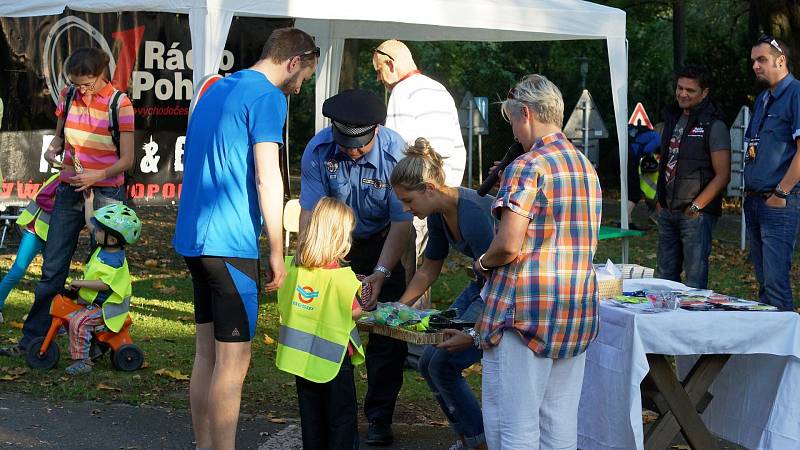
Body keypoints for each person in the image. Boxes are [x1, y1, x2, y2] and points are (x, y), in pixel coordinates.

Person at [172, 27, 318, 450]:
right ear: (294, 62)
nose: (300, 85)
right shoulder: (268, 96)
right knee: (233, 364)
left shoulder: (215, 88)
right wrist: (278, 248)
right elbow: (267, 176)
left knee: (207, 355)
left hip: (194, 239)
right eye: (304, 76)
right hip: (231, 243)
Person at [466, 74, 602, 449]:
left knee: (513, 426)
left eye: (512, 121)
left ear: (525, 113)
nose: (514, 132)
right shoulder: (585, 167)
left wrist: (482, 261)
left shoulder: (528, 166)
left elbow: (508, 245)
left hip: (524, 313)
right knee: (559, 424)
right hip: (574, 309)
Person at [1, 47, 134, 357]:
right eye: (76, 83)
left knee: (100, 273)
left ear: (102, 75)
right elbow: (60, 139)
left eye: (86, 83)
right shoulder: (69, 94)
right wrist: (53, 151)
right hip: (68, 189)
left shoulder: (120, 104)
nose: (81, 89)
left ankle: (95, 343)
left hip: (106, 196)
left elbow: (127, 159)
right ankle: (33, 341)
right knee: (53, 267)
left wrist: (95, 176)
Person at [299, 88, 412, 446]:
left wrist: (381, 272)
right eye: (344, 142)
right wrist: (311, 262)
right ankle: (327, 408)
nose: (350, 149)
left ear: (376, 130)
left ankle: (379, 416)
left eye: (359, 144)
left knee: (386, 334)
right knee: (326, 328)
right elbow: (309, 213)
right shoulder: (318, 150)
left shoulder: (397, 154)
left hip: (384, 242)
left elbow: (402, 222)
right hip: (335, 245)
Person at [391, 138, 493, 450]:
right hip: (481, 286)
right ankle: (468, 437)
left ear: (429, 189)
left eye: (409, 201)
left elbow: (502, 279)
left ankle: (479, 442)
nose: (407, 210)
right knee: (427, 363)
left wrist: (478, 331)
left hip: (498, 293)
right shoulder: (437, 212)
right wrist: (400, 307)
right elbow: (429, 268)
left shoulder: (474, 214)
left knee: (444, 364)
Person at [373, 40, 466, 308]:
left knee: (411, 269)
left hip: (416, 197)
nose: (380, 79)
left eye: (380, 71)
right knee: (428, 265)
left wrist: (396, 197)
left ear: (391, 63)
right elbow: (457, 148)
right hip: (445, 194)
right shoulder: (440, 89)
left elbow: (395, 152)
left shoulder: (402, 93)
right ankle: (416, 333)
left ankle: (410, 337)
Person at [276, 197, 365, 450]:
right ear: (340, 239)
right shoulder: (342, 279)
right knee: (342, 418)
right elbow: (356, 312)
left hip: (301, 359)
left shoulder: (291, 269)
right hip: (335, 359)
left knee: (312, 419)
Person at [654, 64, 731, 289]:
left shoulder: (714, 125)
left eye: (690, 90)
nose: (683, 94)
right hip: (668, 211)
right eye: (680, 88)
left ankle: (694, 324)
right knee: (664, 281)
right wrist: (659, 202)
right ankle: (666, 325)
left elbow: (723, 174)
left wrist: (697, 207)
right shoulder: (671, 118)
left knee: (694, 282)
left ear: (704, 92)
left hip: (696, 215)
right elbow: (666, 161)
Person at [744, 35, 800, 311]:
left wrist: (781, 193)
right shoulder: (764, 98)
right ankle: (767, 354)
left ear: (781, 60)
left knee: (776, 286)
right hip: (755, 200)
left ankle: (790, 354)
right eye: (754, 60)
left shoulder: (796, 94)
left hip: (778, 201)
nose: (755, 65)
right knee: (764, 285)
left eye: (762, 60)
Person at [64, 191, 140, 375]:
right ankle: (94, 345)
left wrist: (80, 283)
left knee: (78, 321)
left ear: (112, 239)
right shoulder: (106, 246)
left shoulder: (114, 261)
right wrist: (89, 202)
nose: (94, 231)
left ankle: (83, 361)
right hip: (96, 302)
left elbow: (103, 285)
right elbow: (91, 224)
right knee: (67, 311)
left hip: (108, 308)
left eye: (99, 230)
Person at [0, 174, 60, 324]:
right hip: (36, 231)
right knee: (17, 271)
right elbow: (42, 199)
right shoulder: (62, 178)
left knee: (52, 278)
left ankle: (47, 316)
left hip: (53, 235)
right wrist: (64, 212)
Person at [626, 124, 661, 228]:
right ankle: (626, 220)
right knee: (634, 192)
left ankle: (626, 219)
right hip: (632, 158)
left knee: (628, 189)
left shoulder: (641, 134)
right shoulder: (657, 137)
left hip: (622, 155)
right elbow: (647, 150)